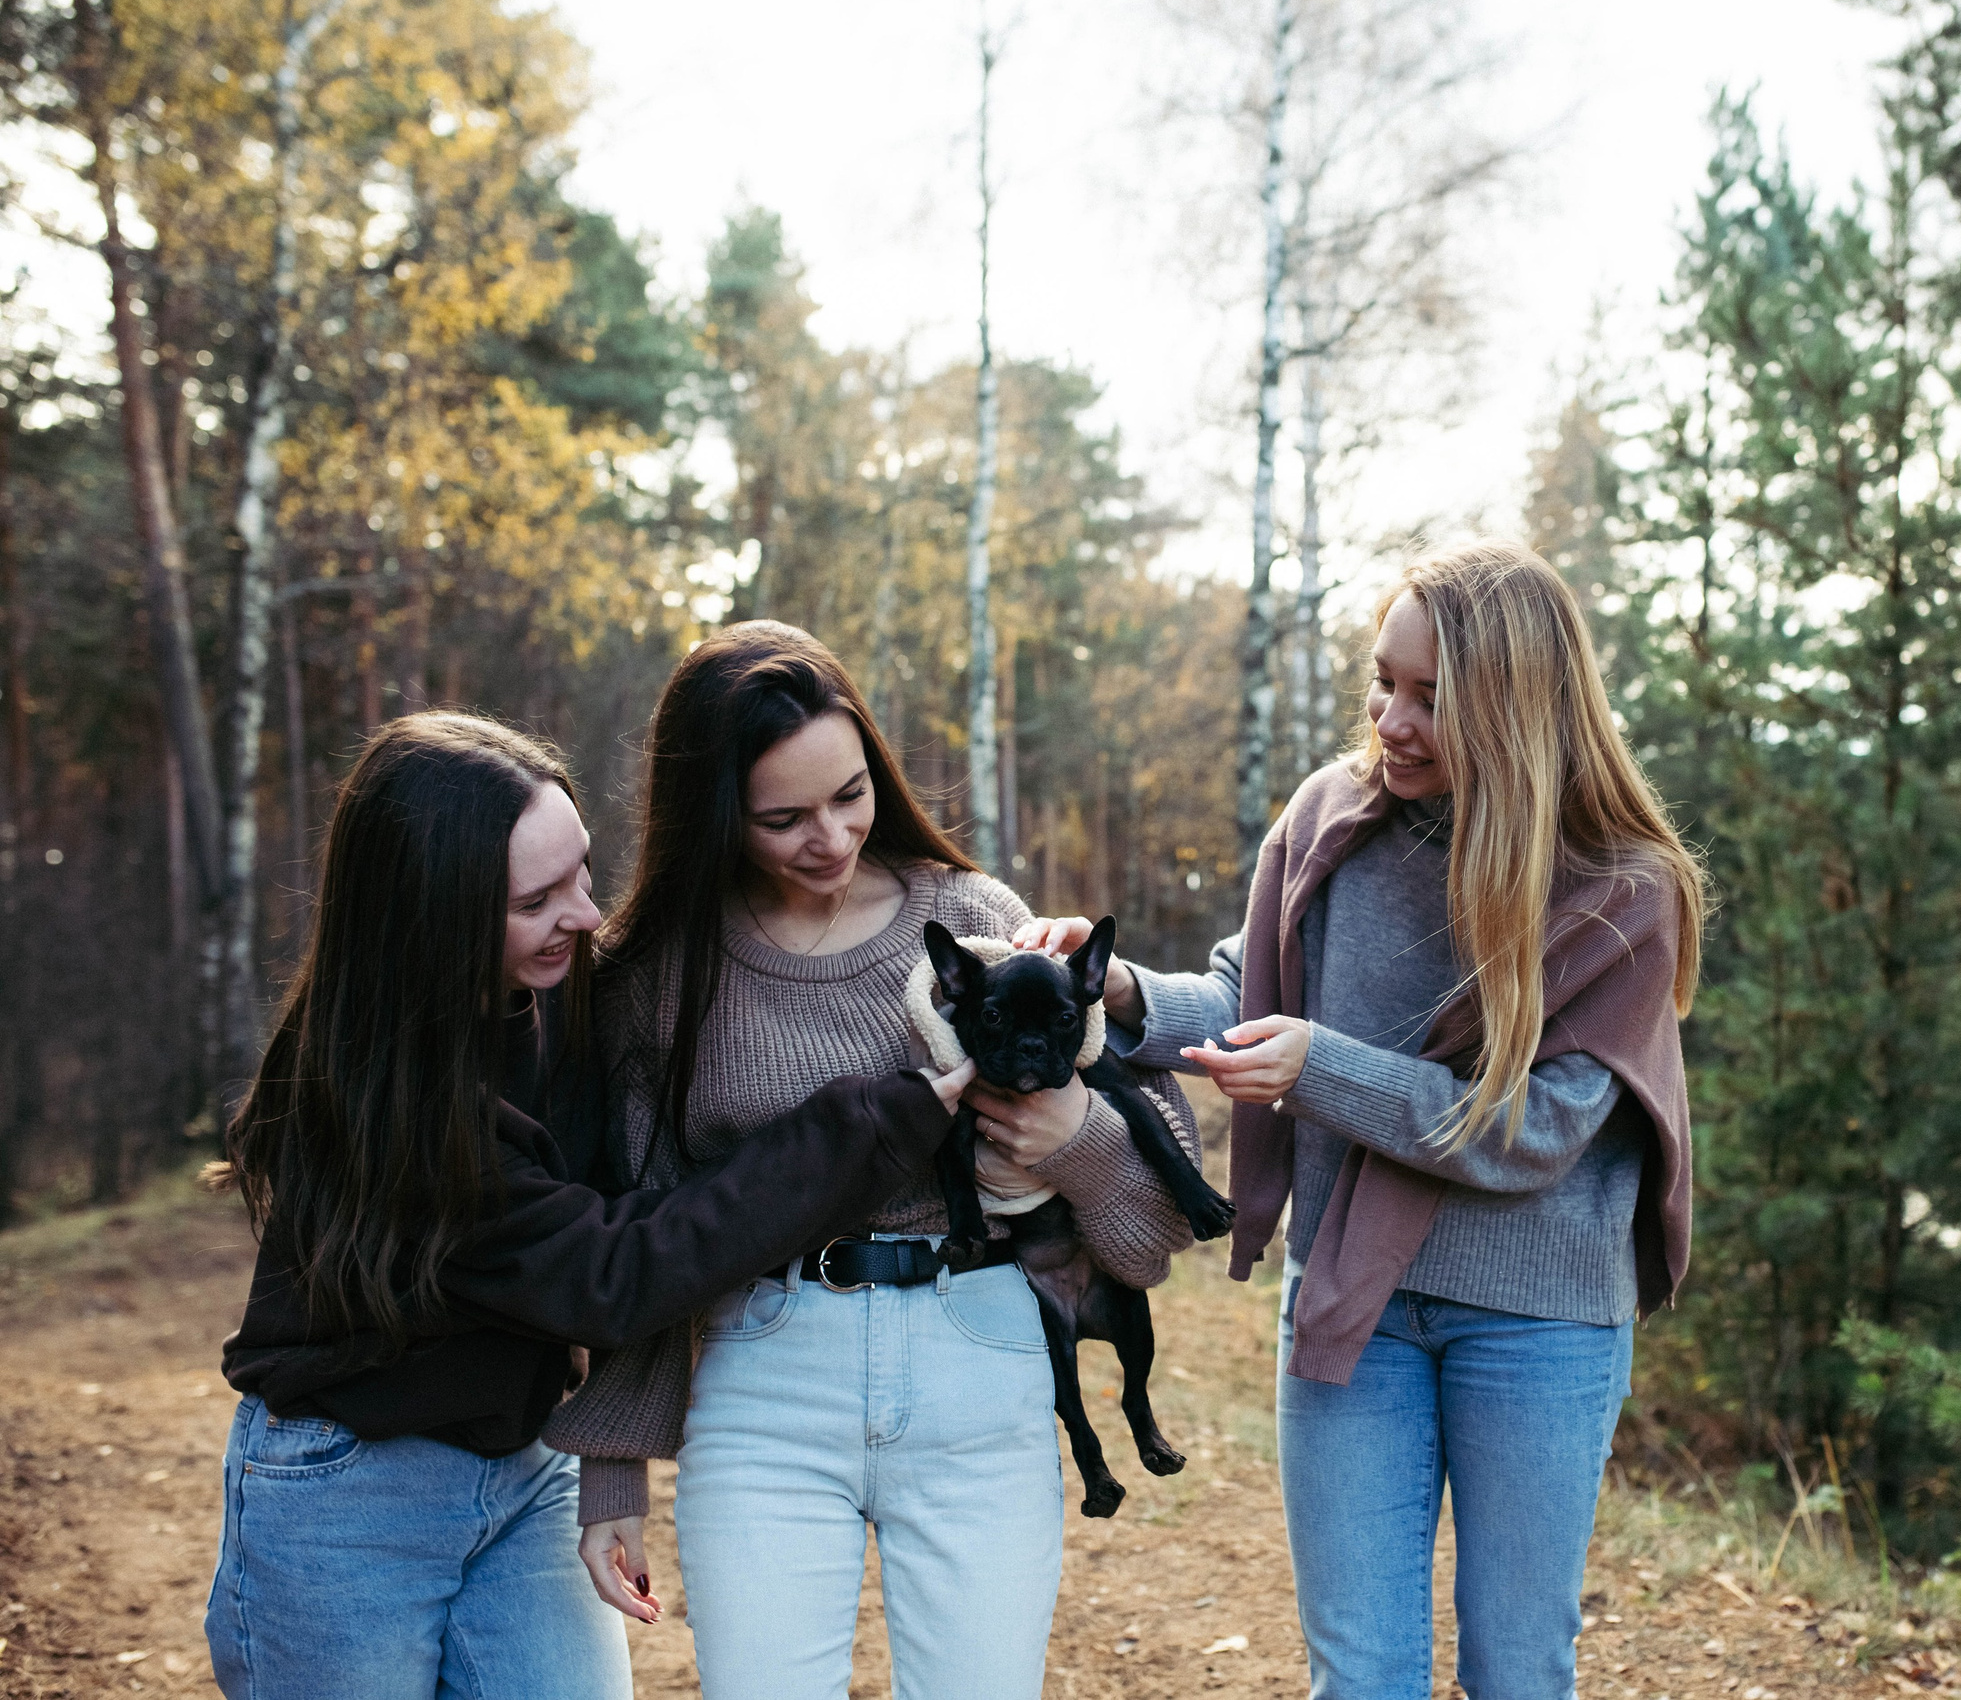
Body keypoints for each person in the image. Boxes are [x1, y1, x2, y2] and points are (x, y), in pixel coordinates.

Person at [1020, 540, 1706, 1700]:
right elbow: (1256, 999)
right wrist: (1124, 991)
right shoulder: (1330, 820)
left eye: (1432, 699)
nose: (1390, 718)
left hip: (1538, 1320)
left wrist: (1317, 1070)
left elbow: (1531, 1132)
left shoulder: (1620, 889)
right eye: (1383, 683)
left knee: (1518, 1670)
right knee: (1363, 1676)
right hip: (1353, 1298)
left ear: (1518, 711)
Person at [208, 713, 971, 1700]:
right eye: (536, 900)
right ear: (432, 922)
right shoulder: (374, 1114)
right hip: (348, 1494)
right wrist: (868, 1124)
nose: (584, 916)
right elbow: (618, 1272)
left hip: (523, 1471)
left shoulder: (562, 987)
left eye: (582, 873)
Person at [542, 622, 1199, 1700]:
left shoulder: (977, 923)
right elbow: (643, 1237)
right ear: (713, 812)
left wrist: (1074, 1140)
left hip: (976, 1359)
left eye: (850, 795)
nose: (832, 838)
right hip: (763, 1375)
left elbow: (1152, 1228)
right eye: (783, 818)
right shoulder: (661, 977)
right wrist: (610, 1467)